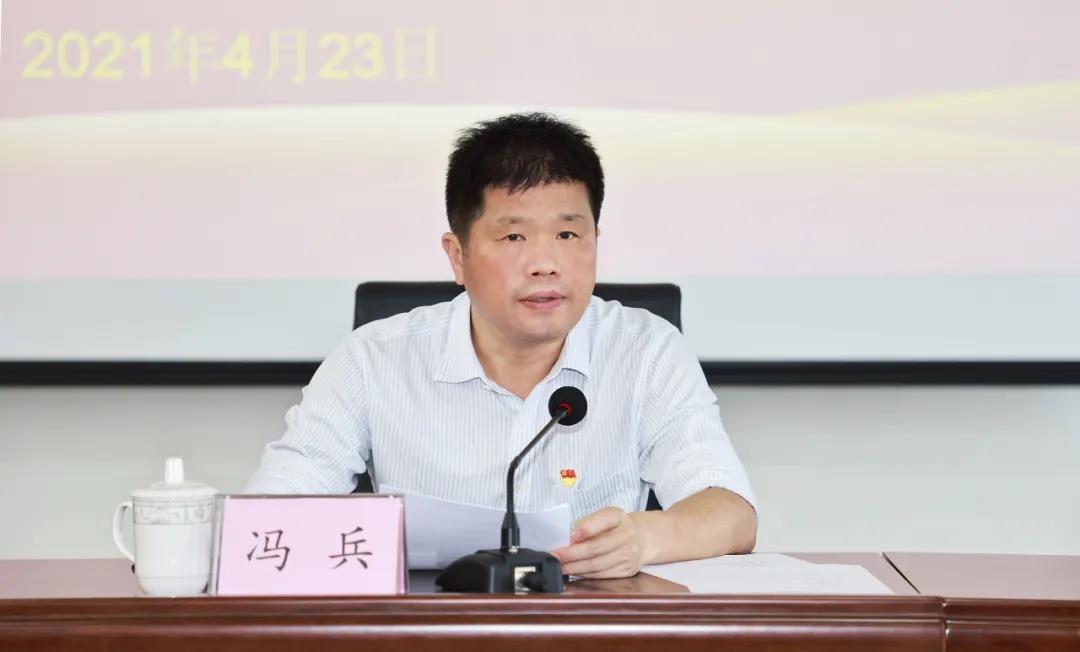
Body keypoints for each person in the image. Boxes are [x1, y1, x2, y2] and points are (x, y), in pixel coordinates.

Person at [247, 112, 757, 579]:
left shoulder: (646, 352)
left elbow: (731, 514)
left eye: (567, 235)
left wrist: (644, 537)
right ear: (458, 256)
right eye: (514, 238)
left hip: (593, 627)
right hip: (430, 629)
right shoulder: (372, 360)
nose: (545, 264)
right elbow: (268, 520)